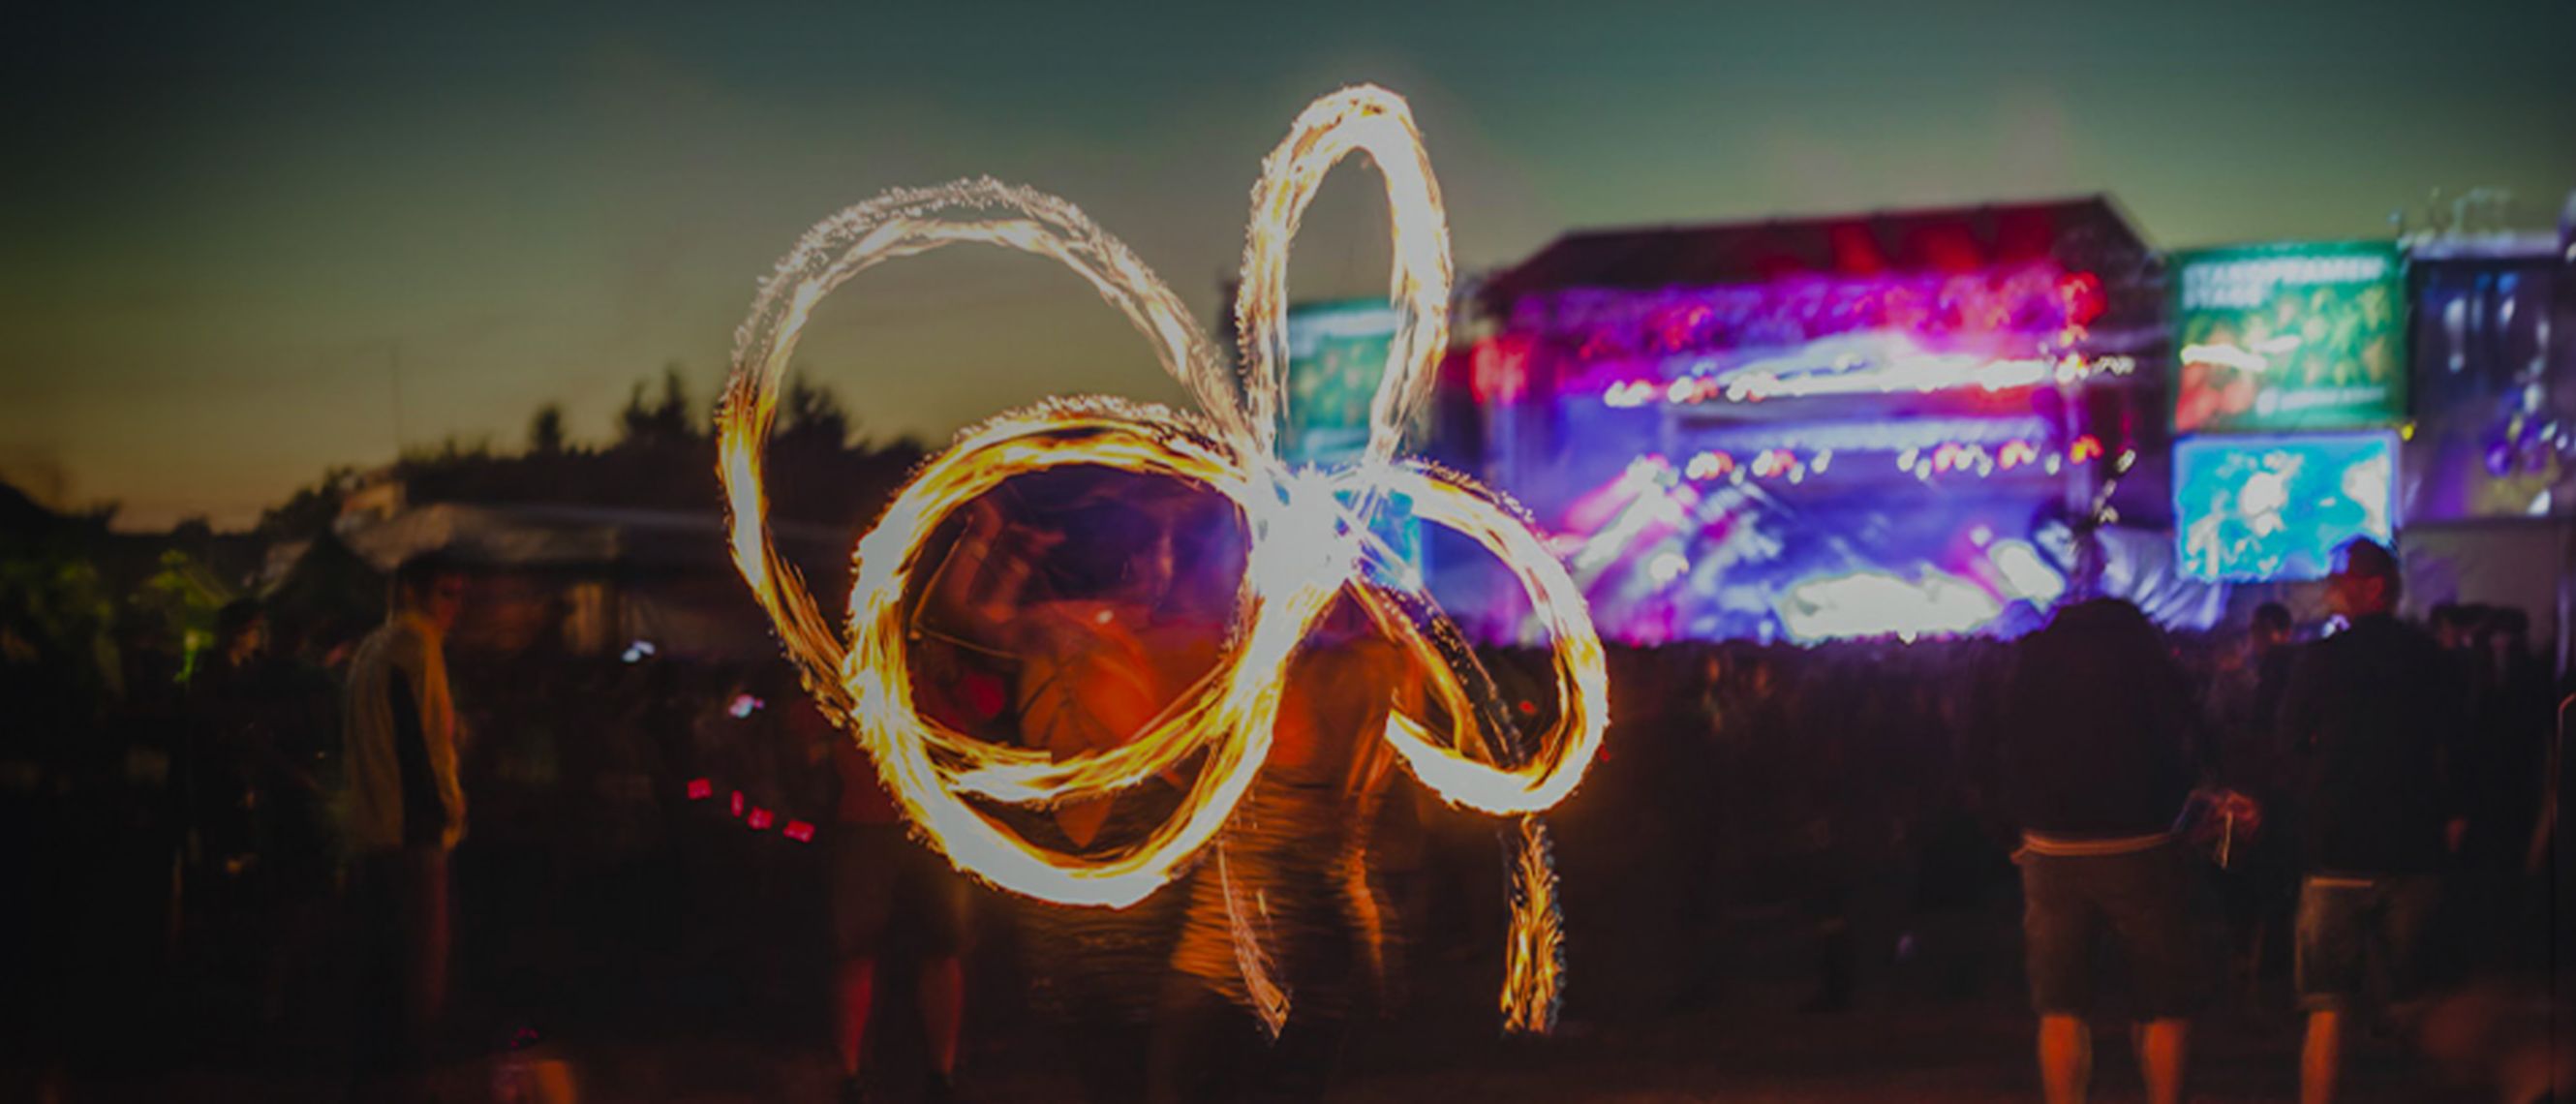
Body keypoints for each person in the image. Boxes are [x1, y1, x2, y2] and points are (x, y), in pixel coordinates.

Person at [2275, 537, 2468, 1104]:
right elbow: (2456, 747)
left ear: (2372, 586)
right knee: (2415, 1002)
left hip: (2335, 851)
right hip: (2414, 847)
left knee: (2328, 1009)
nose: (2331, 586)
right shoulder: (2432, 659)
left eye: (2339, 577)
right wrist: (2454, 815)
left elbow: (2287, 748)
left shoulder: (2320, 660)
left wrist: (2313, 799)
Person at [1996, 596, 2200, 1104]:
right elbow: (2188, 738)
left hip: (2051, 846)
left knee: (2061, 1008)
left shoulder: (2032, 660)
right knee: (2162, 1003)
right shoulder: (2144, 659)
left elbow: (1992, 747)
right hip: (2141, 841)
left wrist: (2011, 831)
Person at [339, 550, 471, 1078]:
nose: (453, 608)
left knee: (381, 978)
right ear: (412, 592)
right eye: (445, 593)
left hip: (370, 832)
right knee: (420, 980)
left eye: (458, 595)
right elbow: (429, 744)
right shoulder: (417, 644)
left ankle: (382, 1077)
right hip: (413, 835)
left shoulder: (370, 648)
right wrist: (448, 813)